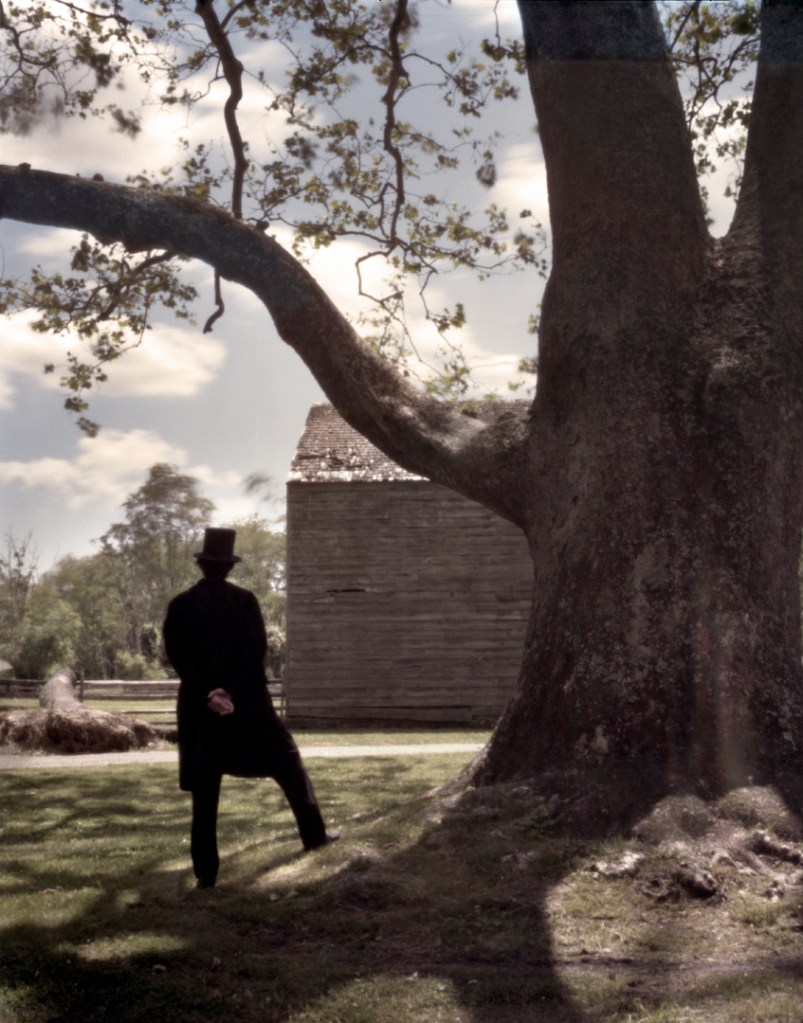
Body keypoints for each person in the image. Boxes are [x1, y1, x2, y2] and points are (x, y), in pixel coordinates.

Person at [163, 527, 339, 888]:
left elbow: (177, 657)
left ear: (202, 565)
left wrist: (209, 692)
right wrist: (229, 692)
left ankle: (206, 875)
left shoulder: (180, 605)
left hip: (200, 706)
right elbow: (255, 652)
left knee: (205, 791)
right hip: (246, 704)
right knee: (289, 762)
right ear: (228, 567)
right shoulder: (244, 601)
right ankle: (315, 836)